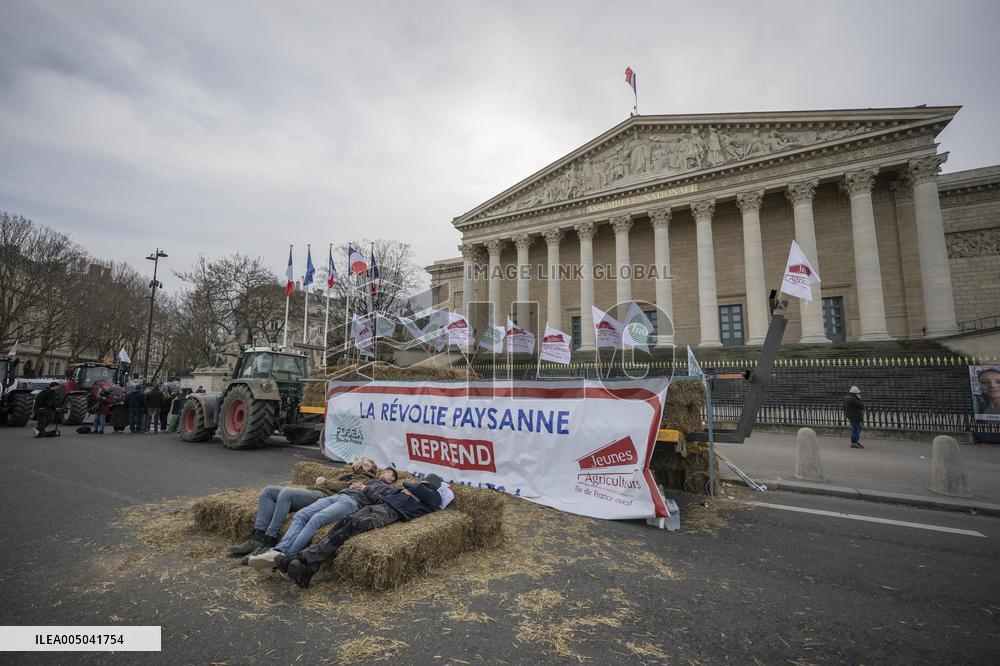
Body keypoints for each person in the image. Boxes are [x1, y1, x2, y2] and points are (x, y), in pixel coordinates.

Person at [277, 474, 446, 588]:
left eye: (423, 483)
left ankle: (305, 559)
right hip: (380, 506)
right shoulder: (411, 493)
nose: (419, 485)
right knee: (346, 521)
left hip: (390, 513)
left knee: (355, 525)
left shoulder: (432, 498)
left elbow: (412, 487)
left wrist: (411, 489)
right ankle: (307, 565)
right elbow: (389, 494)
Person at [247, 467, 400, 574]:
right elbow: (342, 484)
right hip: (339, 495)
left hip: (352, 503)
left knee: (317, 518)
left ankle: (289, 555)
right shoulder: (370, 480)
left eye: (388, 472)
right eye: (384, 470)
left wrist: (365, 490)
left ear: (393, 479)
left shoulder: (390, 490)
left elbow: (383, 502)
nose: (384, 472)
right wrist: (352, 485)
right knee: (301, 515)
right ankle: (278, 550)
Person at [227, 458, 381, 558]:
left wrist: (326, 481)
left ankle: (270, 539)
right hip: (316, 492)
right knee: (268, 491)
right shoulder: (346, 473)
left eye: (366, 464)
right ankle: (258, 537)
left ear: (372, 470)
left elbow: (343, 486)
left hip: (322, 494)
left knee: (287, 494)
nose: (361, 464)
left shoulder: (365, 478)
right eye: (361, 461)